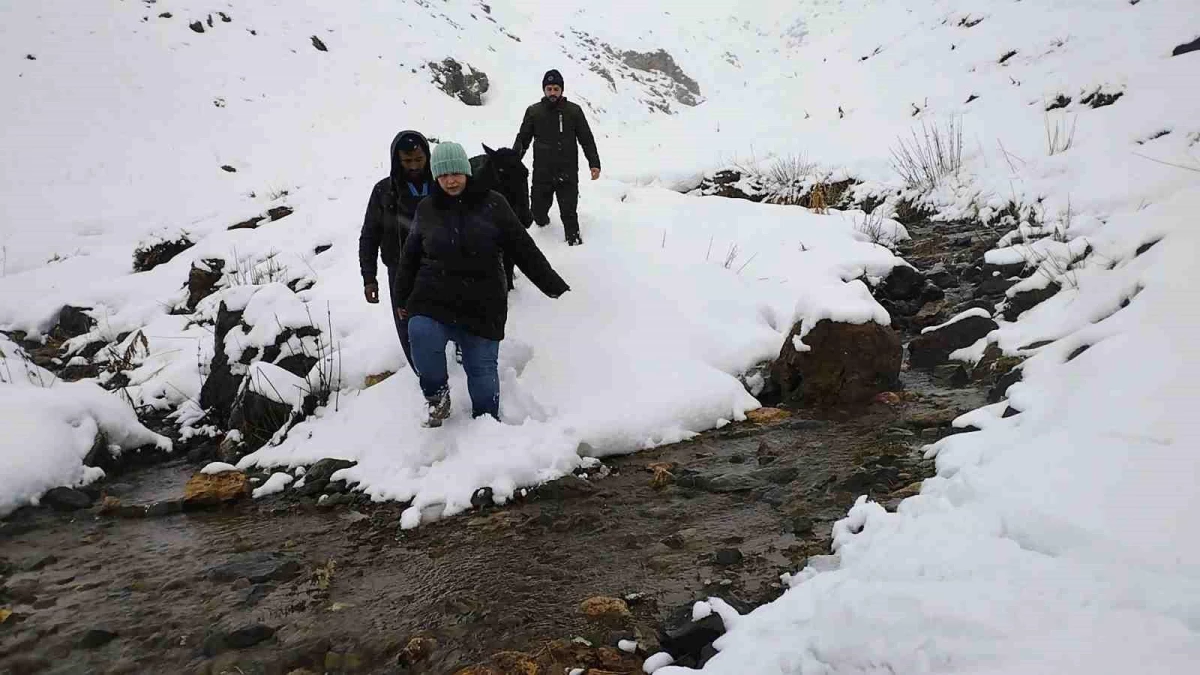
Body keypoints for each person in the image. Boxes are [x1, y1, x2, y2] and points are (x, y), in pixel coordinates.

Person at [393, 142, 570, 426]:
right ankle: (437, 396)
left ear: (466, 172)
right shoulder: (427, 208)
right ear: (436, 177)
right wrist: (402, 297)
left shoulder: (493, 203)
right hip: (434, 297)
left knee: (483, 377)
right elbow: (410, 256)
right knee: (421, 333)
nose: (450, 181)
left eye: (456, 173)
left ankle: (487, 428)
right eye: (443, 175)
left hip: (482, 302)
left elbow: (522, 247)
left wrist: (554, 286)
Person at [359, 130, 432, 369]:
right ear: (396, 160)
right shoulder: (384, 192)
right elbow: (369, 235)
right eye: (407, 161)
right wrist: (369, 278)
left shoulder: (440, 184)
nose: (414, 166)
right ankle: (424, 377)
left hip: (440, 267)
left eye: (419, 160)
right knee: (407, 325)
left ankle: (454, 367)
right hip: (400, 272)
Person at [514, 69, 601, 246]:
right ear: (544, 90)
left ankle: (574, 243)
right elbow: (523, 139)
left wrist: (594, 163)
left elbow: (586, 139)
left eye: (556, 88)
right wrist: (513, 161)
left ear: (561, 90)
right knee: (537, 211)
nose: (552, 92)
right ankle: (543, 226)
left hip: (567, 172)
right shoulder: (534, 112)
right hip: (542, 173)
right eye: (549, 89)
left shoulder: (573, 111)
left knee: (568, 211)